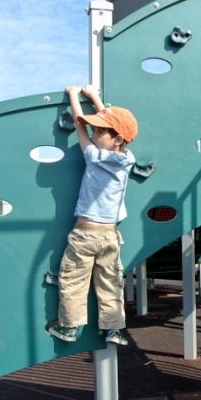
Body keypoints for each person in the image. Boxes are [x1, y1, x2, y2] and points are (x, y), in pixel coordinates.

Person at [47, 85, 137, 345]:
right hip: (110, 236)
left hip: (85, 235)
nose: (94, 135)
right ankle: (114, 329)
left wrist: (74, 95)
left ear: (117, 138)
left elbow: (78, 125)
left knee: (74, 279)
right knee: (110, 283)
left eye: (99, 132)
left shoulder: (94, 156)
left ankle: (70, 327)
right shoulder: (127, 159)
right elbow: (112, 123)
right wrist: (95, 98)